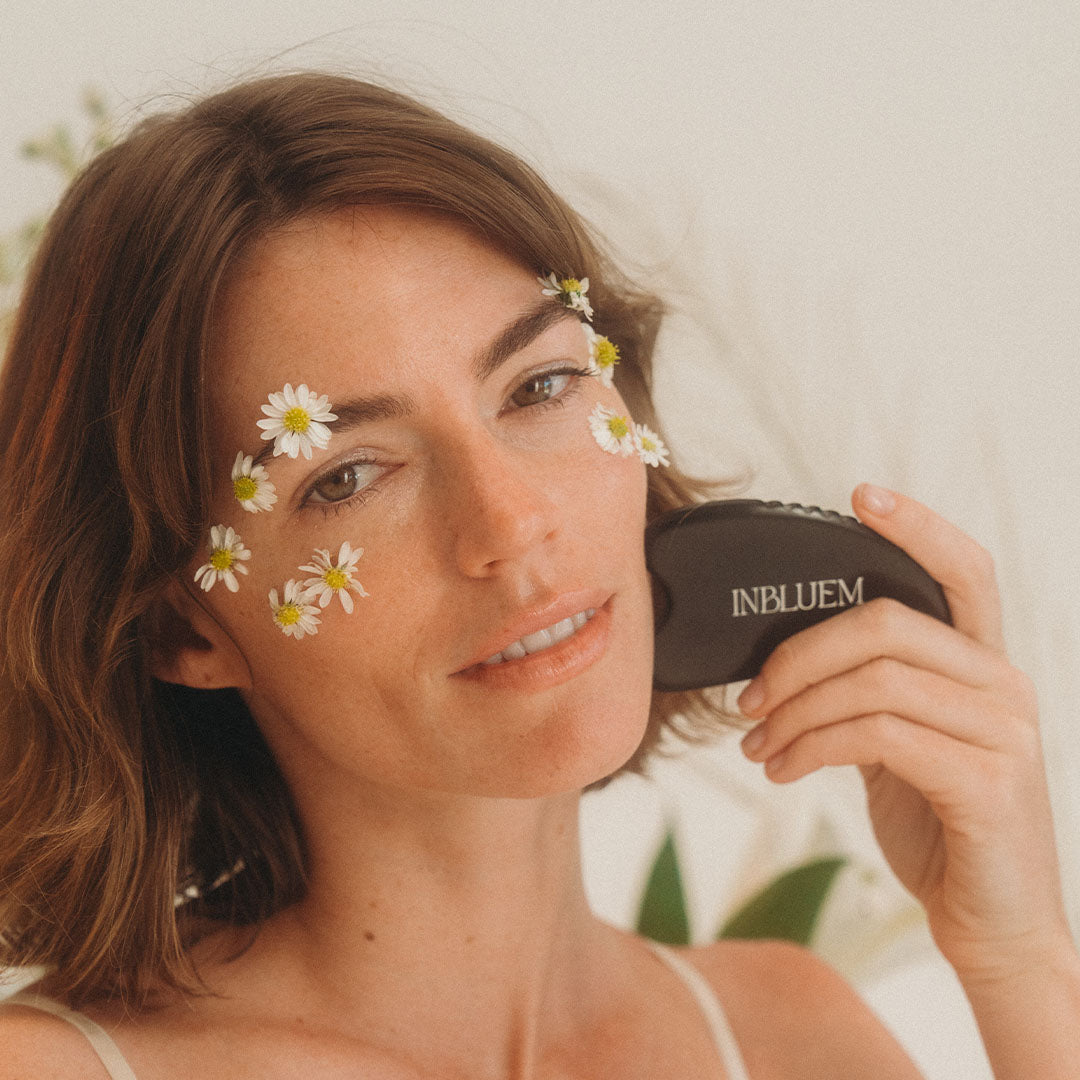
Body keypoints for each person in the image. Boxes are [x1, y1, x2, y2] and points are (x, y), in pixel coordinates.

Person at [0, 70, 1075, 1080]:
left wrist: (1021, 957)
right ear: (180, 629)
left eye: (539, 385)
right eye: (347, 476)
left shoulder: (789, 1034)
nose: (512, 526)